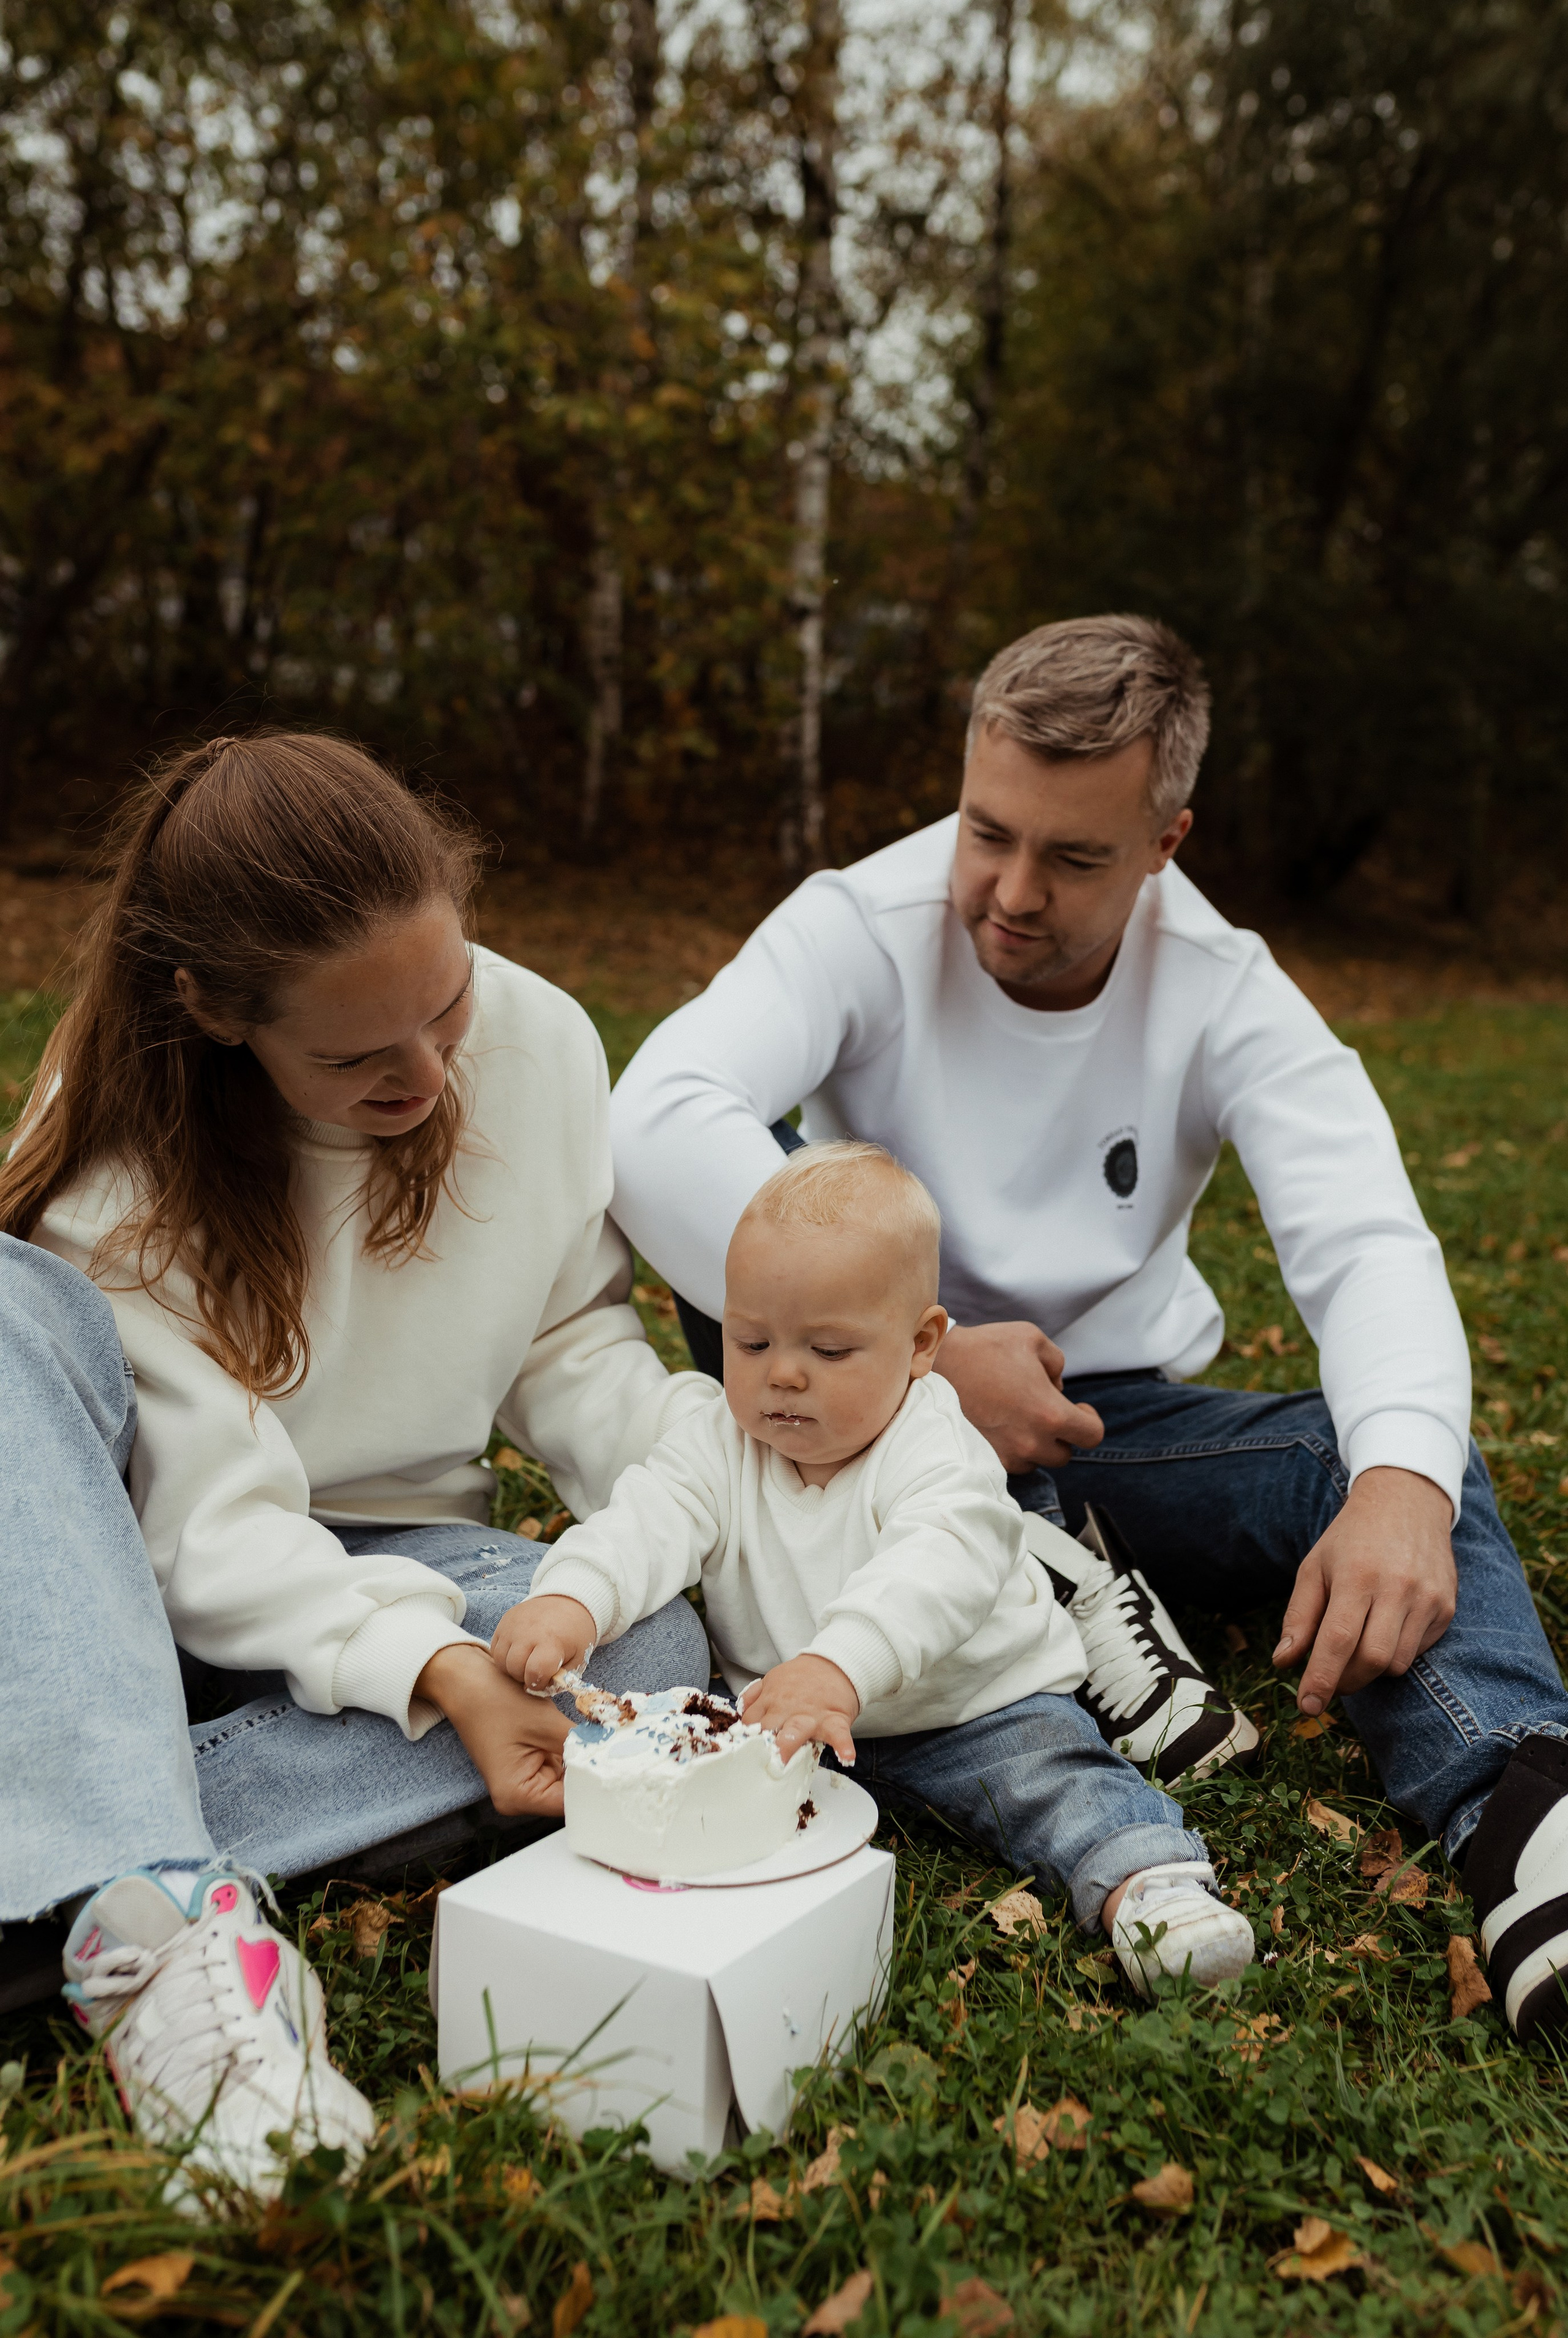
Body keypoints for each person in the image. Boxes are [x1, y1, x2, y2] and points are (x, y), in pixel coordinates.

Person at [608, 614, 1568, 2044]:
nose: (1005, 890)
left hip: (1109, 1424)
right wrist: (927, 1361)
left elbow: (1364, 1240)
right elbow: (655, 1116)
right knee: (752, 1262)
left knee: (1374, 1463)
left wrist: (1401, 1487)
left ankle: (1521, 1809)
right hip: (856, 1439)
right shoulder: (856, 921)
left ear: (1166, 841)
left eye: (1071, 858)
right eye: (984, 831)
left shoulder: (1226, 987)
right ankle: (1066, 1589)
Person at [0, 731, 710, 2200]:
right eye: (356, 1055)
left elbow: (571, 1340)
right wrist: (437, 1678)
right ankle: (157, 1925)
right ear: (213, 1011)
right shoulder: (122, 1125)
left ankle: (84, 1876)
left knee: (638, 1638)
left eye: (446, 1010)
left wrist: (712, 1487)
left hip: (401, 1565)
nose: (431, 1071)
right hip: (119, 1589)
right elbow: (205, 1530)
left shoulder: (540, 1038)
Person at [496, 1140, 1256, 1994]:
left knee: (1054, 1778)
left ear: (922, 1342)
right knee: (702, 1805)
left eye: (827, 1351)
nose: (782, 1374)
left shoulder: (934, 1446)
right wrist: (574, 1597)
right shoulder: (720, 1438)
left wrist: (838, 1664)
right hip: (788, 1722)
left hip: (972, 1705)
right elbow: (647, 1517)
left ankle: (1148, 1884)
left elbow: (934, 1567)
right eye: (750, 1342)